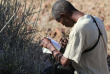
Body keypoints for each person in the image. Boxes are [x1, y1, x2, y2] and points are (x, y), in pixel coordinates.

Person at [40, 0, 110, 74]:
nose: (62, 25)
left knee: (49, 71)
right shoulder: (96, 20)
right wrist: (69, 45)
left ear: (63, 16)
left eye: (60, 21)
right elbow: (90, 47)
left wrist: (49, 46)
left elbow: (65, 62)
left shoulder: (78, 29)